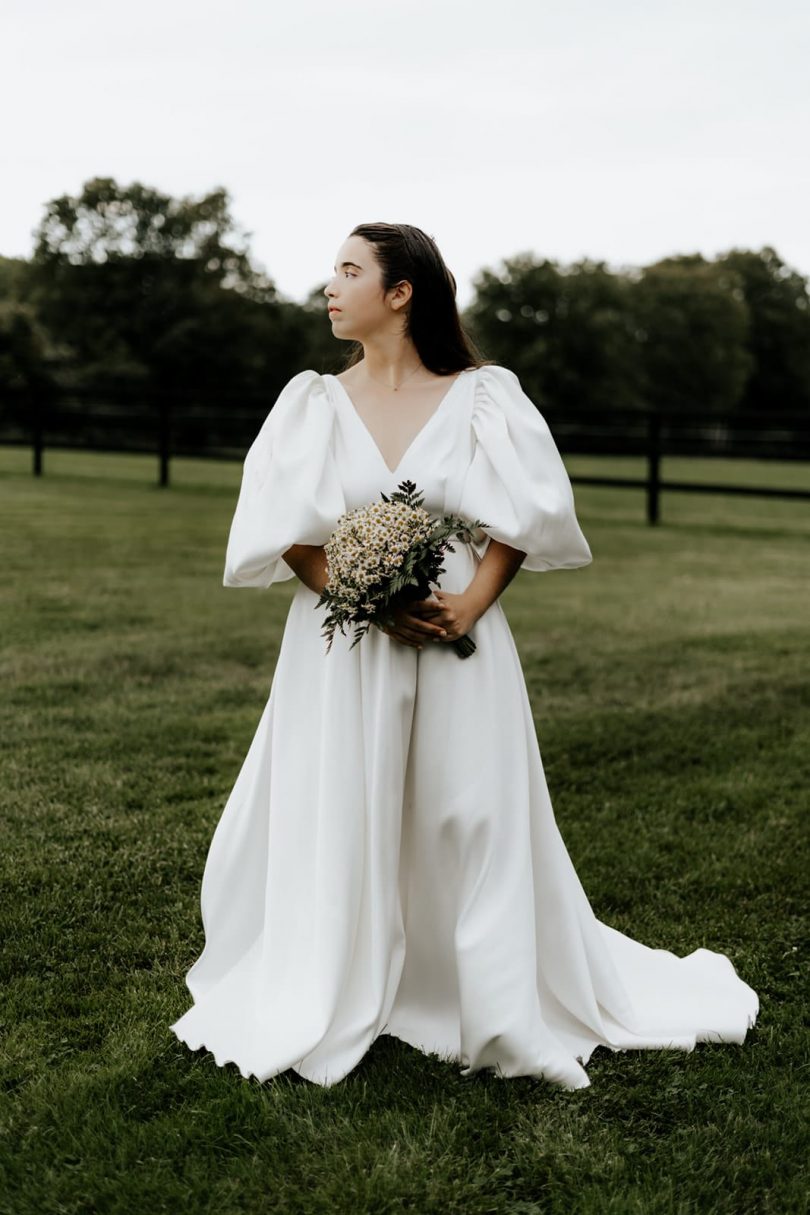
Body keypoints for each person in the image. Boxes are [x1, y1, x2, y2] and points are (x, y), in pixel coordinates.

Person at [170, 222, 758, 1089]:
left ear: (401, 291)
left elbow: (523, 514)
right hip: (345, 647)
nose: (329, 287)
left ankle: (482, 987)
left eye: (349, 271)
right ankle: (342, 971)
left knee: (469, 810)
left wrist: (468, 603)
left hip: (460, 640)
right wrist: (358, 591)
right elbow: (282, 525)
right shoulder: (311, 401)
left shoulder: (484, 395)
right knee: (347, 798)